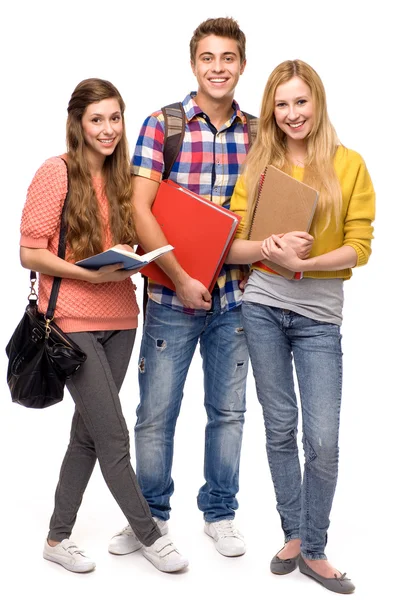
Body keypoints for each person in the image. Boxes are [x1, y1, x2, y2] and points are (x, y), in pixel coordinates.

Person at [108, 17, 310, 559]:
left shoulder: (257, 132)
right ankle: (149, 517)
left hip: (239, 299)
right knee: (156, 413)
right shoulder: (162, 124)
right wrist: (181, 276)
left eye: (228, 59)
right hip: (172, 298)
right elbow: (140, 208)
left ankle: (220, 512)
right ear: (193, 63)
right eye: (207, 58)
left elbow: (268, 213)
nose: (217, 68)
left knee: (228, 411)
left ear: (242, 65)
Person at [19, 78, 188, 574]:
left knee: (89, 435)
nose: (109, 128)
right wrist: (89, 272)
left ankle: (56, 537)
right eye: (97, 119)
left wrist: (134, 261)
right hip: (71, 320)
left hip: (122, 319)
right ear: (78, 123)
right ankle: (151, 535)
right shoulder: (57, 173)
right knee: (114, 438)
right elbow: (30, 253)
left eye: (115, 118)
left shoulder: (123, 177)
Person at [226, 59, 375, 593]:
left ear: (318, 101)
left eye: (300, 102)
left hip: (318, 315)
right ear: (272, 110)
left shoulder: (349, 164)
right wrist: (271, 249)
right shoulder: (259, 165)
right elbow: (234, 242)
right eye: (281, 104)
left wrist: (306, 264)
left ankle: (315, 548)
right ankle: (294, 535)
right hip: (262, 304)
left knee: (324, 439)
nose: (292, 114)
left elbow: (360, 246)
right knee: (280, 427)